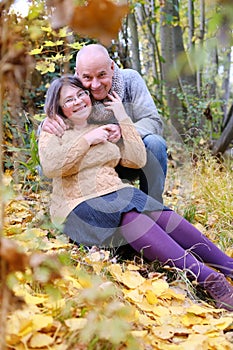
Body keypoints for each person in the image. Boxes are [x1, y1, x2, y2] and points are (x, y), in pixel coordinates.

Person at [39, 75, 233, 312]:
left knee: (161, 215)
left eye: (81, 94)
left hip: (115, 192)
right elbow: (52, 167)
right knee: (131, 216)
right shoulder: (53, 130)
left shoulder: (101, 126)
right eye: (69, 100)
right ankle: (210, 280)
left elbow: (138, 159)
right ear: (59, 107)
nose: (78, 101)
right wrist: (87, 140)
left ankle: (228, 265)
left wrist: (122, 119)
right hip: (76, 204)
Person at [41, 44, 167, 204]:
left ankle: (153, 207)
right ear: (77, 74)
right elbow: (49, 130)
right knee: (47, 161)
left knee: (155, 143)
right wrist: (48, 122)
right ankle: (65, 210)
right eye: (87, 77)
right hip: (90, 167)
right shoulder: (72, 91)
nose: (95, 85)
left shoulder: (130, 80)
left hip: (129, 159)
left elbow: (153, 121)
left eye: (102, 75)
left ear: (112, 67)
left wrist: (124, 129)